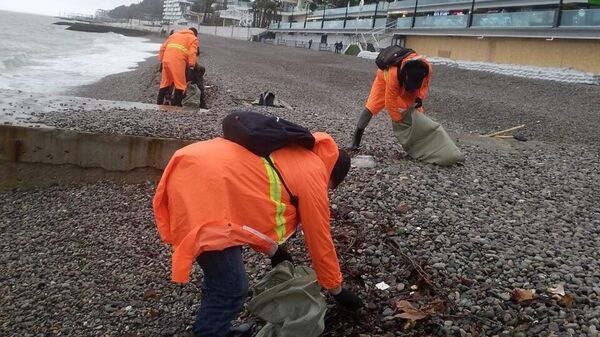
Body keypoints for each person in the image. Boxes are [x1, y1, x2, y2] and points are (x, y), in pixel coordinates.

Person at [153, 132, 363, 337]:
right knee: (232, 289)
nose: (327, 191)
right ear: (331, 177)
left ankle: (217, 324)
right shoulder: (314, 175)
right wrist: (337, 290)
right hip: (207, 190)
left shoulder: (292, 153)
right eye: (331, 187)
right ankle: (210, 331)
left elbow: (252, 206)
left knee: (220, 273)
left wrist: (273, 250)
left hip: (194, 167)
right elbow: (320, 240)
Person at [349, 48, 431, 150]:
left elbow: (424, 86)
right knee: (372, 106)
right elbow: (390, 101)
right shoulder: (393, 73)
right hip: (384, 79)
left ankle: (420, 141)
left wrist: (419, 97)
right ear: (405, 76)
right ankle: (356, 138)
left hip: (406, 81)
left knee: (417, 109)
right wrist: (398, 120)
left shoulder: (426, 69)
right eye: (409, 86)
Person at [157, 27, 199, 107]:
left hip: (166, 59)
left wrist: (161, 61)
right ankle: (177, 105)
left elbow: (162, 48)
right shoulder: (193, 39)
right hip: (178, 61)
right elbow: (192, 53)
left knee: (165, 83)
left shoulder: (174, 35)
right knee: (180, 84)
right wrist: (191, 66)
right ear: (195, 34)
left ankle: (159, 103)